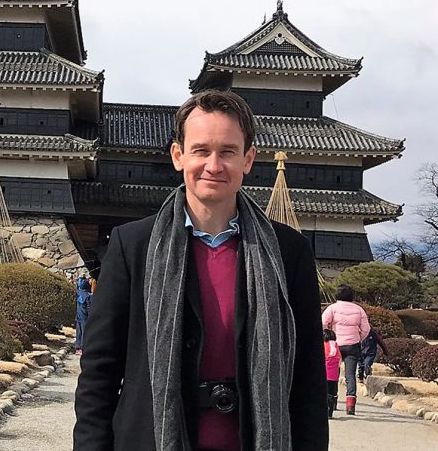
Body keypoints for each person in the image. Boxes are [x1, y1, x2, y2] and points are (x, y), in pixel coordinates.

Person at [73, 90, 328, 451]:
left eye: (228, 151)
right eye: (201, 150)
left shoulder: (289, 254)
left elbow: (308, 381)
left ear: (248, 159)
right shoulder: (134, 246)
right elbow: (99, 371)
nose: (214, 165)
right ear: (179, 156)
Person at [321, 285, 370, 415]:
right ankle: (350, 405)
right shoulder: (359, 310)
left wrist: (328, 336)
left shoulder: (332, 308)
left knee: (333, 373)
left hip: (335, 345)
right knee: (350, 375)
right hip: (353, 345)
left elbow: (323, 323)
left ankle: (333, 400)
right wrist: (358, 338)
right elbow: (366, 329)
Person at [323, 329, 341, 418]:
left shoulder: (323, 345)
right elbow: (339, 360)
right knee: (331, 393)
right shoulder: (336, 346)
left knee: (323, 393)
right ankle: (330, 411)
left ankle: (324, 411)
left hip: (324, 374)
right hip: (333, 376)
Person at [76, 276, 92, 354]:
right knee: (84, 332)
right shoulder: (88, 295)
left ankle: (77, 347)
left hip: (78, 315)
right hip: (85, 316)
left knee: (79, 332)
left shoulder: (78, 292)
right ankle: (82, 348)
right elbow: (89, 307)